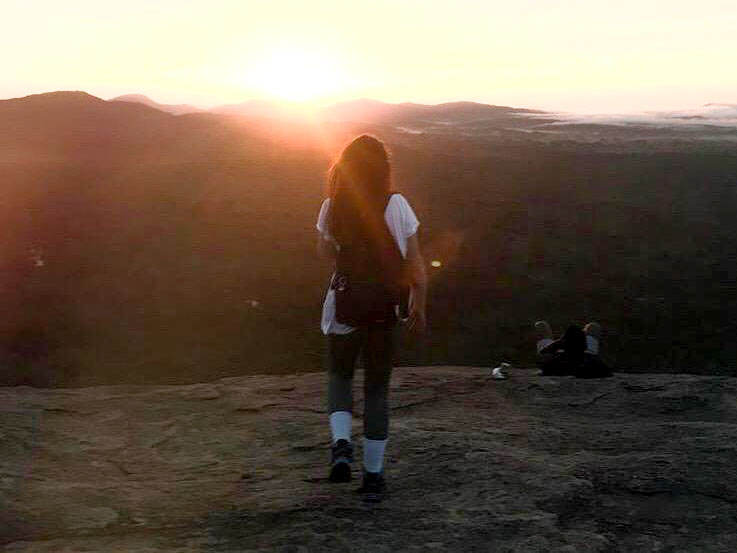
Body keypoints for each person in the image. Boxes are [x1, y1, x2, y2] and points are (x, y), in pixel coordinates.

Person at [316, 135, 427, 502]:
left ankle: (342, 444)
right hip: (384, 308)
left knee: (339, 374)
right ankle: (374, 477)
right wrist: (419, 301)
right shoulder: (396, 204)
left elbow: (324, 251)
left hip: (345, 302)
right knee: (377, 388)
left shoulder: (333, 205)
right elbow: (414, 263)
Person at [535, 320, 612, 378]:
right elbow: (607, 370)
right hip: (586, 356)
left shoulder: (552, 364)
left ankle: (569, 339)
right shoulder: (598, 366)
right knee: (593, 327)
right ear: (585, 345)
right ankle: (574, 337)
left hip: (562, 356)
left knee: (541, 326)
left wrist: (559, 343)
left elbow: (543, 354)